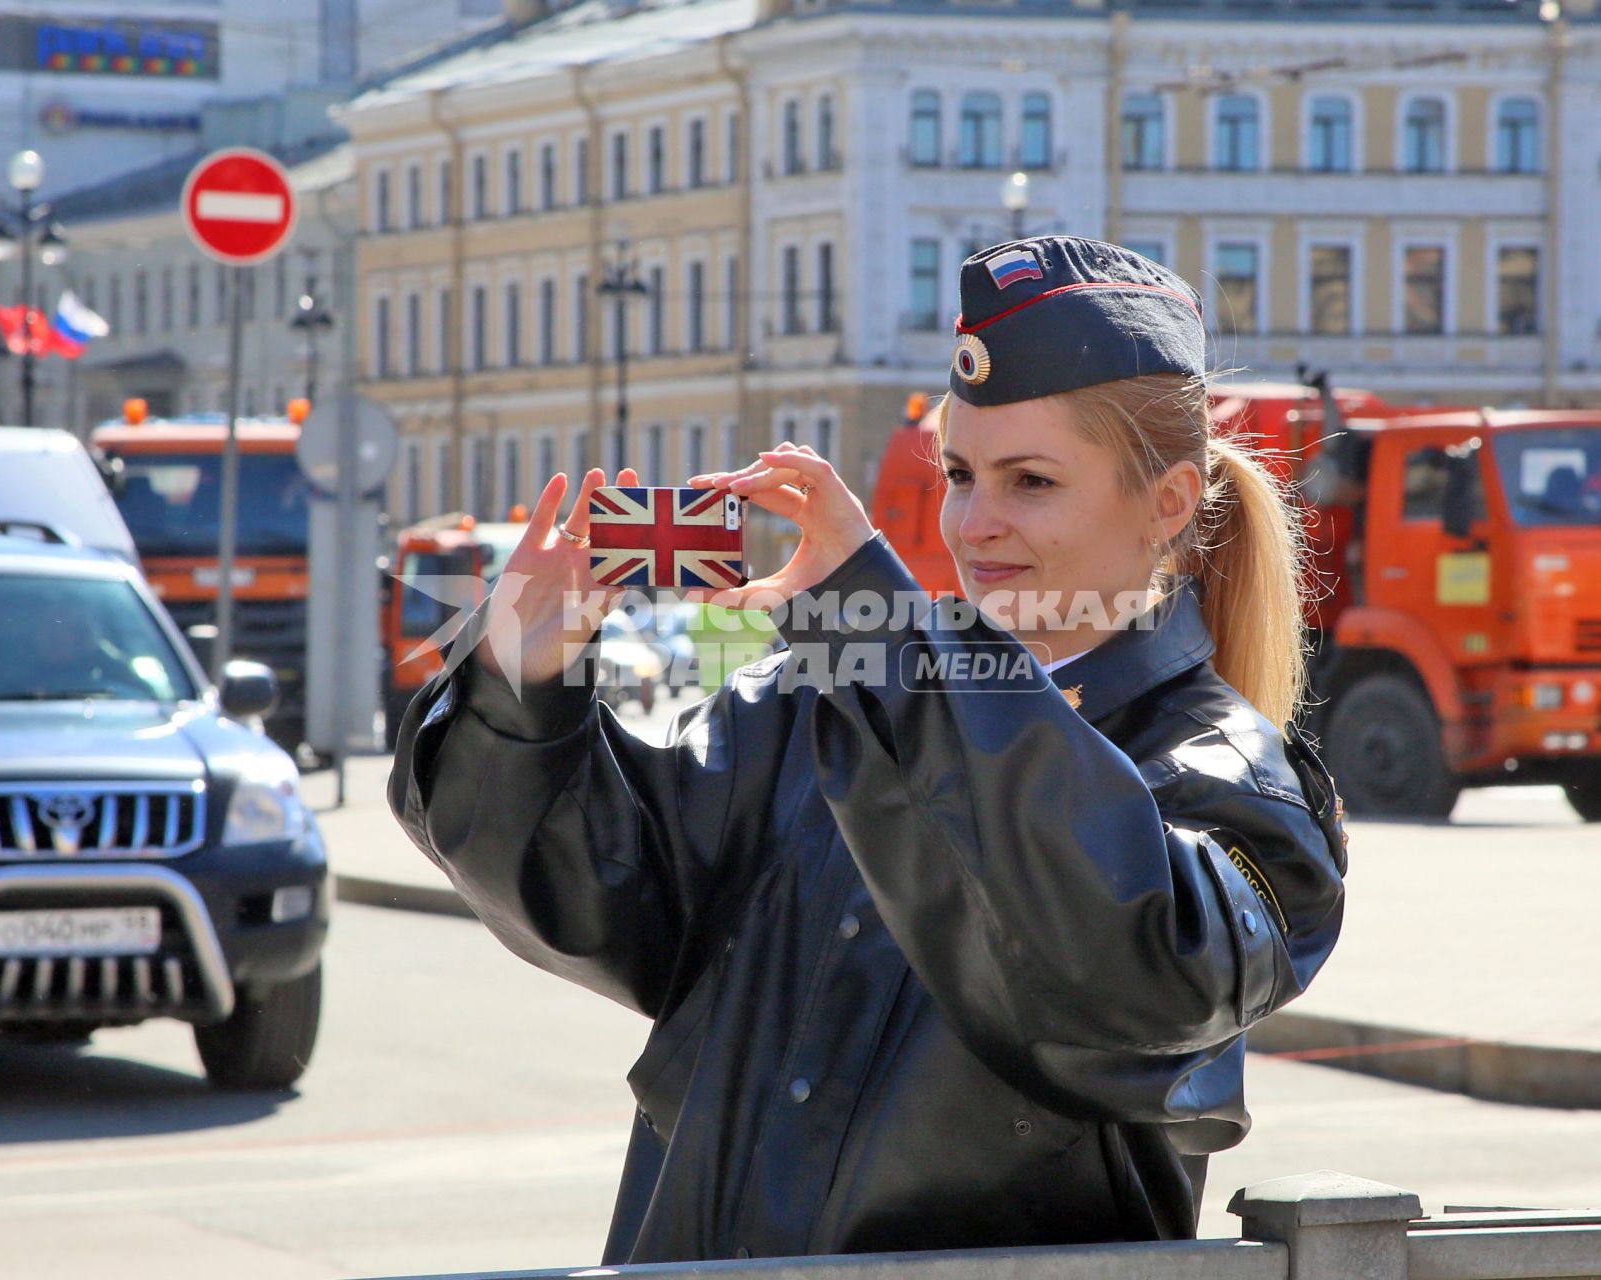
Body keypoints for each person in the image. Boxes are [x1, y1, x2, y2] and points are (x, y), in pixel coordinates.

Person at [389, 236, 1347, 1264]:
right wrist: (522, 694)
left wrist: (885, 639)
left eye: (1029, 480)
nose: (975, 523)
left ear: (1164, 501)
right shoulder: (821, 703)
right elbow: (595, 897)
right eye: (958, 472)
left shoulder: (1230, 777)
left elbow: (1127, 970)